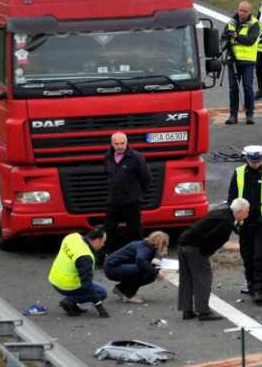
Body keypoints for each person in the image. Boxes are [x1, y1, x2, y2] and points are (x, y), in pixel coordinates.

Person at [177, 198, 250, 321]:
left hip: (183, 242)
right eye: (246, 211)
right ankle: (203, 311)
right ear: (239, 211)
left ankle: (187, 310)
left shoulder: (221, 213)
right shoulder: (226, 222)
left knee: (186, 278)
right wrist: (205, 253)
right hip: (195, 247)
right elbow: (212, 238)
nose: (247, 214)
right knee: (203, 278)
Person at [227, 145, 262, 306]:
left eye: (258, 161)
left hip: (261, 222)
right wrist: (234, 220)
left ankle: (259, 289)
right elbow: (232, 198)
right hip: (245, 222)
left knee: (260, 256)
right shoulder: (238, 173)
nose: (256, 164)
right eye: (253, 161)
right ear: (247, 158)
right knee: (247, 256)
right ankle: (251, 285)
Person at [100, 132, 153, 264]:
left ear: (127, 142)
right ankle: (99, 260)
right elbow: (108, 175)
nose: (120, 146)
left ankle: (141, 258)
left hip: (132, 203)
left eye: (122, 143)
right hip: (113, 202)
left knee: (136, 233)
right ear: (112, 144)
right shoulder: (108, 157)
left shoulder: (136, 157)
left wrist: (138, 194)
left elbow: (147, 178)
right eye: (116, 144)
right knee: (107, 231)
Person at [48, 226, 109, 317]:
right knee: (102, 293)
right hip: (67, 285)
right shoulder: (85, 257)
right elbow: (87, 285)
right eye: (103, 242)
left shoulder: (72, 237)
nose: (103, 245)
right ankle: (69, 301)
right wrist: (99, 306)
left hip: (54, 278)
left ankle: (71, 302)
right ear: (96, 241)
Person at [104, 230, 170, 305]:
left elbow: (144, 261)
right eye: (166, 246)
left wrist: (155, 269)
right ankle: (129, 295)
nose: (166, 248)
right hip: (112, 268)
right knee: (142, 269)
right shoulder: (146, 247)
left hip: (116, 267)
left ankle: (120, 289)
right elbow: (140, 260)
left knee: (150, 275)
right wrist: (156, 272)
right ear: (161, 244)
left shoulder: (147, 246)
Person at [226, 1, 261, 125]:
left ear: (250, 11)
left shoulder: (255, 24)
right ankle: (233, 115)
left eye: (244, 11)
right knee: (233, 88)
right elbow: (223, 37)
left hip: (247, 61)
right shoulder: (232, 22)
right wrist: (226, 40)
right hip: (232, 60)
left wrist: (237, 37)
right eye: (240, 10)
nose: (241, 13)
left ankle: (250, 114)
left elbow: (251, 40)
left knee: (248, 88)